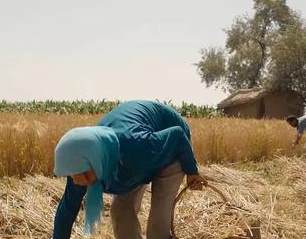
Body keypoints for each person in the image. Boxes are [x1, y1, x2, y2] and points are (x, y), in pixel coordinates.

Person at [53, 100, 206, 239]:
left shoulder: (137, 146)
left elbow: (177, 135)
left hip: (171, 148)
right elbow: (66, 212)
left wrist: (192, 171)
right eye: (73, 176)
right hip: (133, 162)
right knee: (120, 211)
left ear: (95, 161)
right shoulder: (80, 164)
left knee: (158, 223)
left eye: (84, 175)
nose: (79, 181)